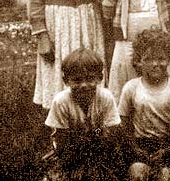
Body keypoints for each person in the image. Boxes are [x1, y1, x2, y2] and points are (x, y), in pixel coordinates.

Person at [119, 29, 170, 181]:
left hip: (169, 146)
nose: (156, 64)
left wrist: (168, 150)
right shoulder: (131, 87)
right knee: (137, 172)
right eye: (149, 59)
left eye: (161, 58)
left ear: (169, 60)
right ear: (139, 61)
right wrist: (136, 150)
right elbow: (123, 125)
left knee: (166, 176)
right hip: (140, 147)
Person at [45, 48, 121, 180]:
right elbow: (62, 140)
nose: (84, 85)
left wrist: (96, 138)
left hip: (100, 151)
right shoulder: (61, 101)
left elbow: (111, 133)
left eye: (90, 79)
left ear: (100, 78)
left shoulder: (105, 97)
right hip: (69, 154)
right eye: (77, 80)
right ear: (66, 81)